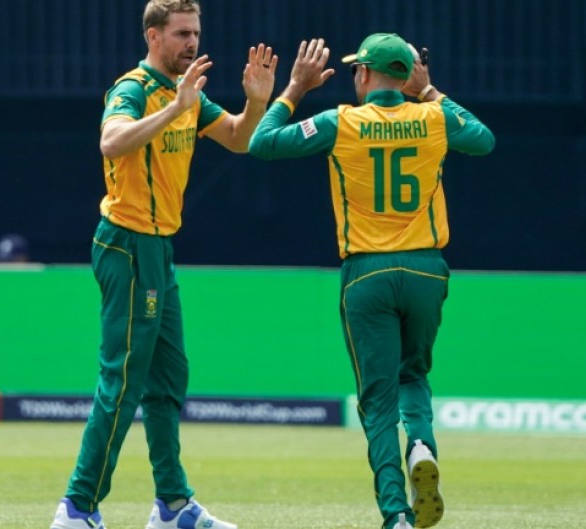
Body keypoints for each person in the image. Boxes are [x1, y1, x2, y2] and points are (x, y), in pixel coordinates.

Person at [249, 34, 495, 529]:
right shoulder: (434, 117)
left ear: (363, 73)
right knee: (414, 376)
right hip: (425, 269)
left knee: (377, 401)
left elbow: (262, 142)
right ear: (406, 75)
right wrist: (429, 91)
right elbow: (483, 139)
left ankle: (396, 513)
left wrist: (295, 88)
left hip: (368, 273)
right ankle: (421, 445)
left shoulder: (341, 122)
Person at [49, 1, 278, 528]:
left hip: (158, 247)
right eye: (180, 34)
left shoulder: (188, 90)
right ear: (153, 36)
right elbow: (110, 142)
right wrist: (176, 108)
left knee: (169, 378)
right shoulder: (133, 89)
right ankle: (78, 507)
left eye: (195, 32)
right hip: (127, 244)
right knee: (123, 379)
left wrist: (256, 101)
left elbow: (240, 139)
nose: (192, 43)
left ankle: (173, 506)